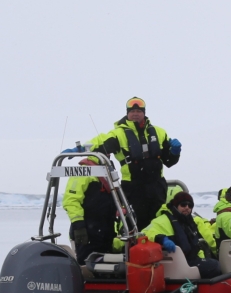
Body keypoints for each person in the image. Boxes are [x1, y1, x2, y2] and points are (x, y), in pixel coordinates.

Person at [66, 97, 181, 229]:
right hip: (133, 189)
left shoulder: (160, 132)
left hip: (157, 188)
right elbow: (99, 142)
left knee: (159, 223)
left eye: (138, 110)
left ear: (144, 112)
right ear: (127, 113)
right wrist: (79, 149)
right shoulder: (118, 134)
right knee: (135, 225)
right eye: (132, 111)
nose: (135, 113)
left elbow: (169, 161)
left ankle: (160, 247)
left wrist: (176, 151)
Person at [142, 191, 221, 278]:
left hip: (188, 260)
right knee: (214, 267)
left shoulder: (189, 221)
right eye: (183, 204)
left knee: (214, 264)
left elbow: (195, 246)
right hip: (176, 263)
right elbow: (144, 233)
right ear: (176, 206)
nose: (187, 207)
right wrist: (162, 239)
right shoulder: (163, 220)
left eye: (190, 205)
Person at [62, 158, 122, 261]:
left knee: (104, 264)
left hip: (106, 232)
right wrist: (78, 226)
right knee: (86, 264)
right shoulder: (82, 173)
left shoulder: (106, 174)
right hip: (86, 233)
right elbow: (71, 200)